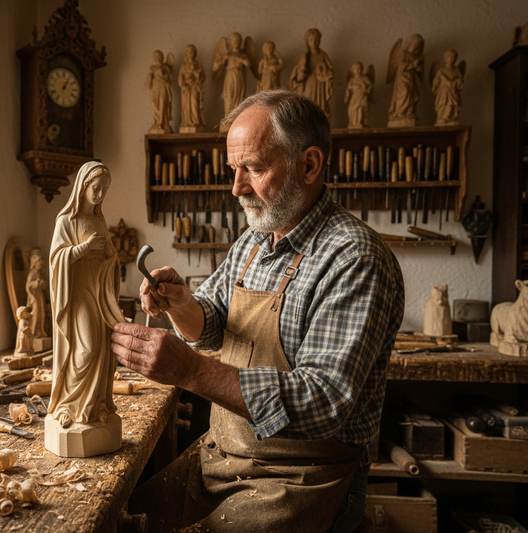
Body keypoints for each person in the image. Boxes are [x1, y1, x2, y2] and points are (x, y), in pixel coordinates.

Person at [112, 89, 405, 532]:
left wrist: (190, 371)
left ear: (309, 165)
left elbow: (323, 400)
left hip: (302, 480)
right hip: (224, 458)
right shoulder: (255, 238)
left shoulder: (354, 257)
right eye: (235, 169)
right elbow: (211, 325)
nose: (236, 188)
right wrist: (182, 305)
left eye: (254, 168)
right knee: (124, 519)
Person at [47, 162, 123, 429]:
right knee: (87, 348)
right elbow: (57, 260)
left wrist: (111, 257)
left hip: (99, 291)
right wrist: (84, 248)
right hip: (78, 294)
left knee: (103, 348)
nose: (100, 194)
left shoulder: (99, 220)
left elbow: (110, 255)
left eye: (104, 189)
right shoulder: (66, 221)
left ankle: (96, 405)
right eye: (96, 188)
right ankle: (68, 405)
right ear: (82, 186)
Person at [289, 28, 334, 118]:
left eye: (317, 39)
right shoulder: (305, 57)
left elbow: (331, 70)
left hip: (320, 84)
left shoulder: (323, 55)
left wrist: (324, 71)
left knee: (320, 105)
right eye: (311, 40)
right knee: (308, 103)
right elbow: (297, 74)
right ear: (307, 42)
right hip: (308, 83)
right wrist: (300, 75)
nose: (314, 42)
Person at [387, 34, 424, 127]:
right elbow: (401, 66)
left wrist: (418, 68)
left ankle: (409, 113)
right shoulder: (403, 54)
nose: (416, 44)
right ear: (411, 42)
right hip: (403, 79)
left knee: (412, 95)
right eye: (415, 42)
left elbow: (419, 71)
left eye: (418, 43)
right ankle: (399, 113)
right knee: (404, 92)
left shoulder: (416, 56)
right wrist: (413, 65)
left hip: (413, 80)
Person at [431, 50, 464, 126]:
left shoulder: (456, 70)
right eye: (450, 57)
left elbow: (460, 80)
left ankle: (452, 118)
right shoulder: (441, 70)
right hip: (444, 92)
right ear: (445, 58)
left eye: (454, 57)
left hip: (453, 92)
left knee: (452, 105)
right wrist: (439, 81)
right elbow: (435, 81)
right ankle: (442, 118)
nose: (452, 58)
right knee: (444, 104)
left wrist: (458, 81)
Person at [178, 44, 206, 133]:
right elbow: (180, 76)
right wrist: (182, 84)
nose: (190, 53)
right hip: (186, 88)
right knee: (186, 105)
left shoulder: (198, 64)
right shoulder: (183, 66)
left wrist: (198, 77)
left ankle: (196, 121)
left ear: (195, 53)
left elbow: (203, 77)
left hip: (195, 86)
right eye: (188, 52)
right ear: (186, 54)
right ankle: (187, 122)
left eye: (192, 51)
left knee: (194, 101)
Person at [146, 50, 174, 134]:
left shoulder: (165, 68)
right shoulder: (152, 68)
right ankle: (156, 122)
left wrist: (159, 72)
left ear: (162, 57)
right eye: (156, 56)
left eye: (159, 56)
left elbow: (168, 78)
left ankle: (162, 124)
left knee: (162, 105)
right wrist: (150, 77)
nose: (157, 58)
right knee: (154, 105)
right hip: (155, 90)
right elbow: (148, 84)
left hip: (163, 88)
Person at [26, 250, 48, 339]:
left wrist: (42, 284)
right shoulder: (32, 273)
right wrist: (36, 283)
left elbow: (44, 287)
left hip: (40, 296)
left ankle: (40, 330)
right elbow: (28, 286)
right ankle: (33, 332)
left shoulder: (39, 273)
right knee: (35, 314)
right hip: (34, 297)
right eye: (39, 263)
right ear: (35, 263)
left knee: (42, 314)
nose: (41, 265)